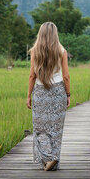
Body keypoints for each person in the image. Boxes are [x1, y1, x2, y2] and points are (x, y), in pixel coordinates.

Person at [26, 22, 71, 171]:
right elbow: (66, 77)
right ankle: (52, 159)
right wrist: (68, 94)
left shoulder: (35, 51)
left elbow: (32, 75)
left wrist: (28, 96)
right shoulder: (61, 50)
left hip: (40, 91)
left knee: (40, 129)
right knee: (56, 129)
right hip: (58, 93)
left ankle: (49, 158)